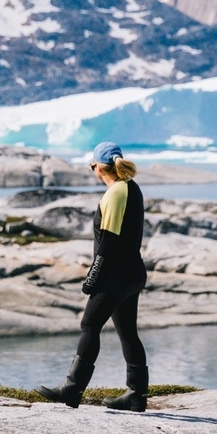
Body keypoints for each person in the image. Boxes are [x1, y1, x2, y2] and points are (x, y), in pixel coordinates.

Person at [35, 141, 150, 411]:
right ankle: (136, 395)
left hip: (116, 276)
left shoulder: (115, 194)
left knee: (89, 325)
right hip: (133, 273)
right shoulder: (132, 188)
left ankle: (72, 390)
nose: (92, 170)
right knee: (128, 333)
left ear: (99, 167)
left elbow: (107, 245)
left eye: (92, 165)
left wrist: (92, 278)